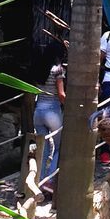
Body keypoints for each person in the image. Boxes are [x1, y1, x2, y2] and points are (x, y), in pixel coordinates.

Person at [33, 39, 67, 199]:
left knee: (44, 149)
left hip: (38, 112)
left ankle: (39, 182)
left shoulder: (39, 67)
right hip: (52, 111)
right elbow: (61, 94)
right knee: (61, 147)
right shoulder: (58, 70)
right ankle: (50, 180)